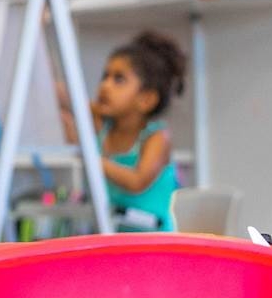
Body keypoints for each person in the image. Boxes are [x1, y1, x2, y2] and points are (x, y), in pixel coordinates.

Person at [64, 30, 187, 231]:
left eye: (118, 80)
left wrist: (94, 160)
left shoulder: (156, 137)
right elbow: (65, 96)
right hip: (113, 235)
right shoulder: (102, 128)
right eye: (105, 76)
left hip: (155, 241)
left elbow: (137, 181)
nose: (105, 86)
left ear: (146, 99)